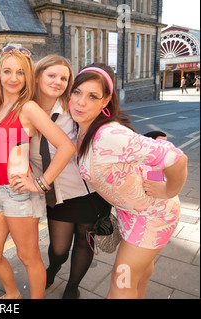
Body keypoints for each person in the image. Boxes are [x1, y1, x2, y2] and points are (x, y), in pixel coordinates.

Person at [69, 62, 188, 299]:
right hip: (129, 212)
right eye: (77, 92)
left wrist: (168, 189)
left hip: (153, 215)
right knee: (139, 275)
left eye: (92, 96)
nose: (81, 102)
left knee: (121, 282)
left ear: (104, 102)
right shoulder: (81, 128)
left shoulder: (109, 134)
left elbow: (178, 159)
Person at [0, 46, 75, 299]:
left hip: (19, 194)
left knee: (28, 257)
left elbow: (67, 146)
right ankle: (13, 294)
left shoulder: (28, 108)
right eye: (8, 71)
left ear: (27, 77)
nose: (13, 78)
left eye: (20, 72)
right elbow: (2, 147)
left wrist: (42, 184)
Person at [29, 55, 106, 299]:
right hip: (56, 196)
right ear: (38, 76)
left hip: (88, 193)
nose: (58, 82)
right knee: (59, 249)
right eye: (52, 75)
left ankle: (72, 287)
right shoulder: (24, 111)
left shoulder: (74, 108)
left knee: (85, 243)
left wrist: (152, 138)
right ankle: (53, 268)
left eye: (64, 78)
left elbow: (108, 127)